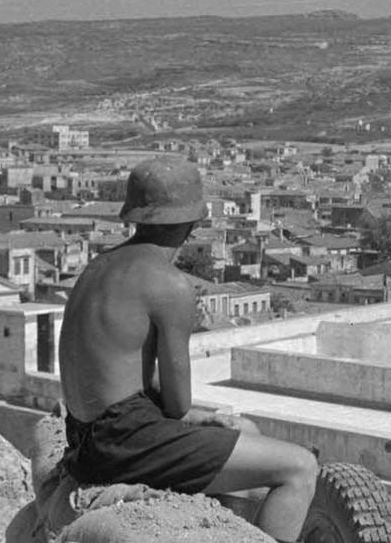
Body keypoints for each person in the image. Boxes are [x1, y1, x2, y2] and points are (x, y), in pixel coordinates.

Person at [58, 157, 317, 542]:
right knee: (300, 468)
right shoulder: (170, 284)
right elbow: (177, 405)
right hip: (123, 443)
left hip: (85, 438)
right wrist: (186, 416)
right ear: (193, 222)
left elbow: (126, 379)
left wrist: (190, 418)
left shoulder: (98, 266)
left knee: (246, 431)